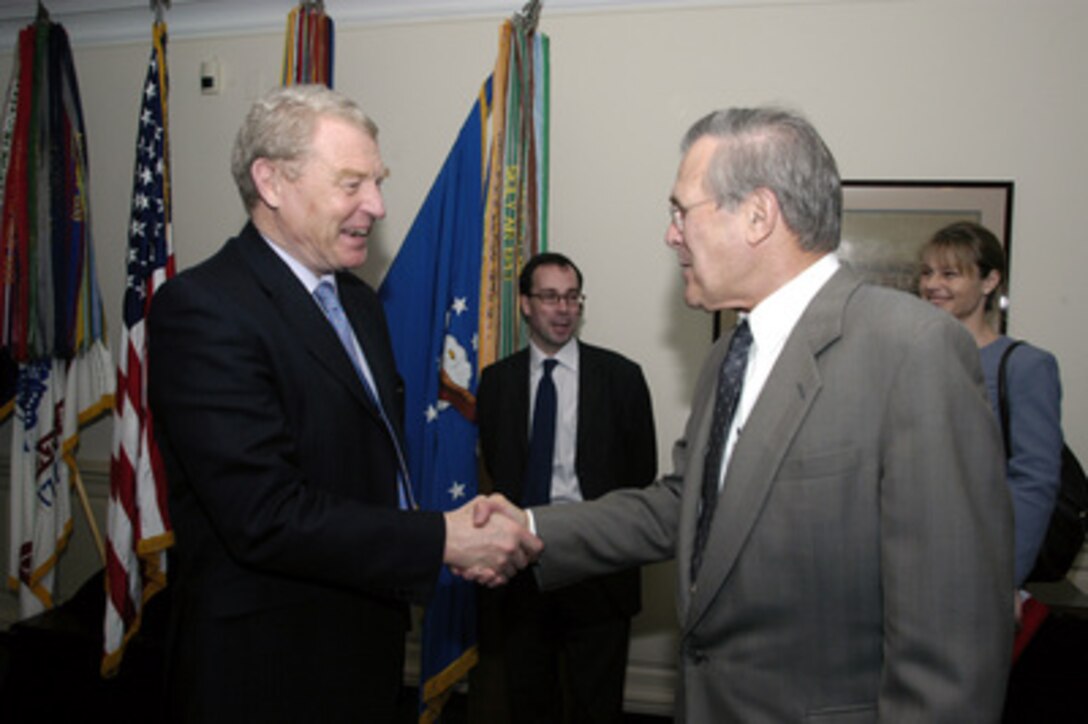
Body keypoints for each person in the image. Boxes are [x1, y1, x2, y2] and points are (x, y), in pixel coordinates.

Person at [474, 107, 1015, 721]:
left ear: (758, 215)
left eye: (682, 211)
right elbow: (689, 506)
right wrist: (528, 525)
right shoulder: (729, 356)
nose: (671, 234)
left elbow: (952, 647)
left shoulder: (912, 350)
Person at [147, 84, 541, 723]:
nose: (378, 206)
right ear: (270, 182)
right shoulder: (205, 309)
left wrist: (449, 526)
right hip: (265, 674)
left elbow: (371, 469)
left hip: (363, 651)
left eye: (378, 182)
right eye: (351, 184)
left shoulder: (358, 303)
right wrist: (438, 540)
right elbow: (265, 514)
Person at [474, 252, 657, 723]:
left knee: (597, 703)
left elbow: (641, 475)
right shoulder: (496, 383)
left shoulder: (622, 378)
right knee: (529, 697)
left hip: (598, 564)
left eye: (572, 297)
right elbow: (498, 466)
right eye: (550, 297)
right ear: (525, 305)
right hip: (522, 564)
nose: (563, 308)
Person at [918, 220, 1062, 590]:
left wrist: (1004, 581)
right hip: (911, 561)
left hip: (979, 567)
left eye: (950, 274)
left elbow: (1034, 482)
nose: (933, 285)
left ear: (989, 281)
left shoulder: (1025, 366)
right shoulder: (909, 361)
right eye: (927, 272)